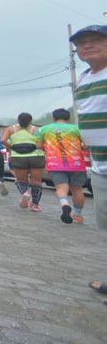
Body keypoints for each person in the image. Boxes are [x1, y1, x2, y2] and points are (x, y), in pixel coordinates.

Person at [68, 26, 107, 301]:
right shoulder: (83, 78)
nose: (88, 46)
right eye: (82, 43)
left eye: (95, 40)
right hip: (100, 166)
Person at [37, 108, 88, 224]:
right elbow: (86, 146)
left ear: (53, 118)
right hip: (76, 164)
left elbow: (39, 145)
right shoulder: (77, 129)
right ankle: (78, 216)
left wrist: (49, 148)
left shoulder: (43, 129)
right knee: (77, 189)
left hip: (55, 163)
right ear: (69, 118)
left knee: (61, 188)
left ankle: (64, 204)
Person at [0, 112, 46, 212]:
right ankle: (35, 205)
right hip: (36, 156)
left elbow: (2, 140)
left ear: (18, 120)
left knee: (21, 180)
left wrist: (11, 147)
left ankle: (25, 193)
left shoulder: (11, 129)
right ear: (31, 120)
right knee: (36, 181)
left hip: (18, 156)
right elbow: (39, 145)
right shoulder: (37, 130)